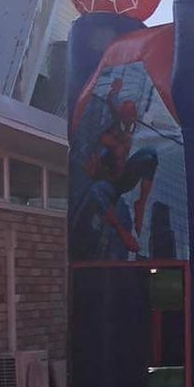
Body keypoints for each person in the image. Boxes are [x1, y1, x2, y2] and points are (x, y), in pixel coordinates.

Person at [79, 77, 158, 254]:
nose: (134, 116)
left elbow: (113, 101)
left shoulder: (132, 127)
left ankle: (141, 204)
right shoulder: (112, 131)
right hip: (108, 181)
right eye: (130, 113)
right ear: (124, 114)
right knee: (96, 191)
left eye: (134, 112)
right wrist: (114, 91)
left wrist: (115, 91)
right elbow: (111, 104)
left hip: (124, 178)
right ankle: (123, 232)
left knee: (150, 155)